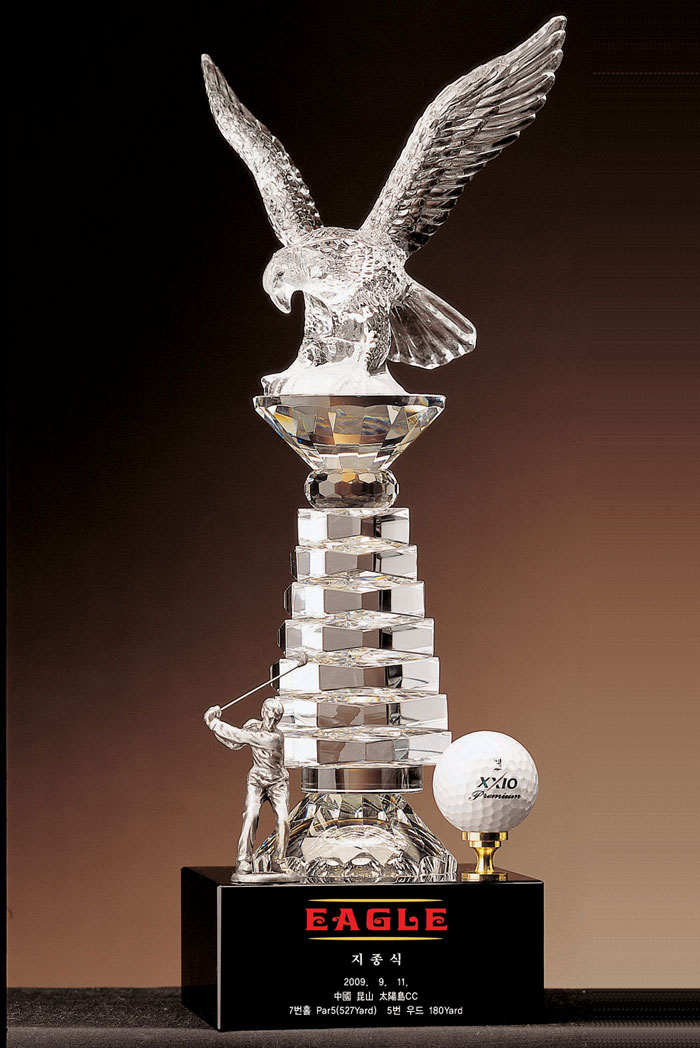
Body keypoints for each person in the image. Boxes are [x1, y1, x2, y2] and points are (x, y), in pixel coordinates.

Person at [204, 697, 291, 875]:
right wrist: (216, 728)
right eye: (270, 717)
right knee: (251, 815)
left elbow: (239, 736)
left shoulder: (275, 737)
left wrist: (213, 723)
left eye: (276, 720)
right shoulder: (252, 726)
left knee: (283, 820)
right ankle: (243, 859)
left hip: (277, 781)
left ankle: (279, 860)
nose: (272, 723)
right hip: (257, 779)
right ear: (263, 712)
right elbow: (234, 743)